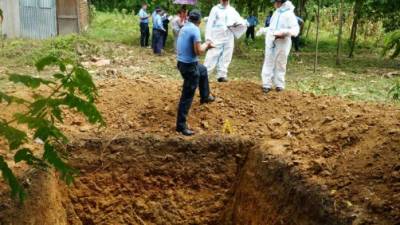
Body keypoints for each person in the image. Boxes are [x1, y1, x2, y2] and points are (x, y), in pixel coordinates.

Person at [176, 10, 215, 136]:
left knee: (202, 70)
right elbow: (198, 51)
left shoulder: (184, 27)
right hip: (189, 67)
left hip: (182, 63)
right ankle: (181, 126)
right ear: (199, 21)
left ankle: (205, 96)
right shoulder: (195, 30)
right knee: (187, 96)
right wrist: (207, 45)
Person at [259, 0, 299, 93]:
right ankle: (266, 84)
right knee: (268, 61)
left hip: (283, 42)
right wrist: (264, 30)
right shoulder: (276, 13)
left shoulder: (289, 14)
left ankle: (279, 84)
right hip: (271, 41)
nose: (274, 4)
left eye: (275, 2)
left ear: (280, 2)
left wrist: (285, 32)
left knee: (281, 63)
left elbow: (295, 30)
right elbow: (272, 27)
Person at [204, 0, 245, 83]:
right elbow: (209, 24)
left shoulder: (232, 10)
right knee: (212, 56)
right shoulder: (215, 9)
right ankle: (204, 76)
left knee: (226, 56)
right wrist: (208, 38)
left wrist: (239, 24)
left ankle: (222, 75)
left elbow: (240, 21)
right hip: (217, 36)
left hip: (229, 36)